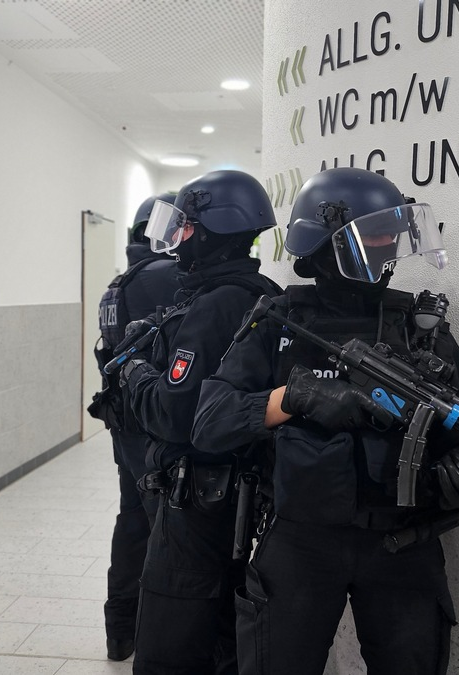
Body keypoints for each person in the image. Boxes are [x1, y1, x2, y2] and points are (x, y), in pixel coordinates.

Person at [193, 167, 459, 674]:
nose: (388, 252)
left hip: (403, 541)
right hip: (299, 541)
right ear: (324, 242)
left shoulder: (419, 330)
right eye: (372, 239)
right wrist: (295, 396)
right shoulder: (278, 322)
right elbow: (210, 423)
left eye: (390, 238)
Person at [121, 170, 282, 675]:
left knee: (171, 632)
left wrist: (134, 371)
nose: (179, 240)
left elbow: (175, 415)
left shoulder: (215, 305)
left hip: (198, 499)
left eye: (186, 227)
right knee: (221, 630)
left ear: (212, 231)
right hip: (239, 495)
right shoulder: (264, 293)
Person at [87, 193, 183, 662]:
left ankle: (120, 631)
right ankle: (156, 640)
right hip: (152, 425)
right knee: (165, 528)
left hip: (125, 427)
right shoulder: (165, 277)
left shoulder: (117, 284)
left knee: (131, 523)